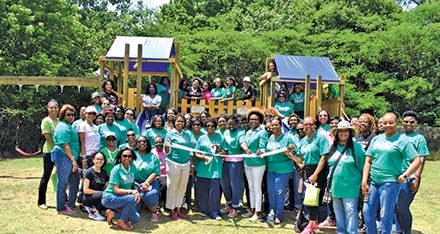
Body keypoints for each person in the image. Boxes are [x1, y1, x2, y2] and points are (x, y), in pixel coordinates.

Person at [362, 113, 420, 234]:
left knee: (385, 215)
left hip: (390, 183)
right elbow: (368, 160)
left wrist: (405, 175)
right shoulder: (377, 139)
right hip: (373, 182)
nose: (387, 125)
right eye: (385, 123)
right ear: (381, 124)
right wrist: (364, 181)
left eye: (391, 122)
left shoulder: (402, 140)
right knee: (367, 211)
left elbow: (417, 160)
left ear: (396, 123)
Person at [328, 121, 366, 234]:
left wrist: (363, 183)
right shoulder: (333, 147)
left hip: (351, 187)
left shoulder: (357, 148)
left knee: (350, 211)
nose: (343, 133)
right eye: (340, 131)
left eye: (345, 130)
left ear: (350, 133)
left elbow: (363, 166)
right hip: (335, 186)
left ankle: (352, 232)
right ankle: (341, 231)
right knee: (338, 211)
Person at [395, 111, 430, 234]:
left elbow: (421, 159)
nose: (408, 124)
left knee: (403, 208)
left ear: (416, 123)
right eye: (406, 121)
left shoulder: (419, 138)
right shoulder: (399, 137)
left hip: (410, 177)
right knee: (396, 207)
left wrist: (416, 177)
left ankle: (406, 231)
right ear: (402, 122)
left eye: (411, 122)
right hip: (398, 177)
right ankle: (398, 230)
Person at [296, 116, 330, 234]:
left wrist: (315, 174)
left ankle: (311, 225)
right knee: (310, 197)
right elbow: (301, 160)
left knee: (313, 197)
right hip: (307, 170)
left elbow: (324, 157)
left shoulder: (320, 138)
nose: (308, 126)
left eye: (311, 124)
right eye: (306, 124)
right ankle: (313, 222)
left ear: (315, 125)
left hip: (318, 170)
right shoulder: (303, 140)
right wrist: (290, 154)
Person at [195, 117, 228, 220]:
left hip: (215, 169)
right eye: (208, 126)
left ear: (215, 127)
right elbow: (196, 152)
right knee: (203, 191)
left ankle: (215, 213)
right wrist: (204, 157)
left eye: (212, 126)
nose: (210, 128)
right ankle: (205, 211)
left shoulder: (221, 137)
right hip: (203, 168)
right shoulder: (202, 138)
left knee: (214, 192)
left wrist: (219, 149)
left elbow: (224, 154)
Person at [265, 117, 296, 225]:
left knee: (279, 192)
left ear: (281, 125)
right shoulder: (270, 138)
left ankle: (279, 215)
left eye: (276, 125)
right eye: (272, 125)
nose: (274, 127)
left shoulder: (287, 138)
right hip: (271, 168)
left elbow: (294, 153)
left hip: (283, 169)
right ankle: (271, 212)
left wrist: (289, 151)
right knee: (270, 191)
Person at [164, 114, 196, 220]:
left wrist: (191, 164)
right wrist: (168, 145)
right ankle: (172, 211)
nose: (180, 123)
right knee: (172, 187)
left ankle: (178, 209)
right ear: (174, 123)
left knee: (182, 187)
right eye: (178, 121)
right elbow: (167, 152)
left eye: (182, 121)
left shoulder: (187, 134)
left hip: (185, 163)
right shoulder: (169, 134)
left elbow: (190, 150)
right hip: (173, 163)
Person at [101, 148, 141, 231]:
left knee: (135, 218)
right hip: (109, 198)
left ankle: (112, 213)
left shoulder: (133, 167)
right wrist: (132, 192)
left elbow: (132, 182)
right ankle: (121, 221)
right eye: (124, 156)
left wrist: (136, 189)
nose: (127, 158)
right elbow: (116, 190)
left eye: (129, 156)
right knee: (132, 198)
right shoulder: (116, 170)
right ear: (120, 157)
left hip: (122, 198)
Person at [51, 104, 80, 215]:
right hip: (64, 156)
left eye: (73, 114)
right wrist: (73, 159)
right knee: (62, 183)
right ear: (63, 115)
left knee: (74, 180)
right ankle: (61, 208)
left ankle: (71, 205)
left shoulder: (68, 125)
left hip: (69, 157)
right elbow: (65, 145)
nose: (71, 116)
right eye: (68, 114)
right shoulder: (62, 127)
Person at [221, 115, 250, 218]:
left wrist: (246, 150)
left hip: (236, 162)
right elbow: (223, 146)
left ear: (237, 124)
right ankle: (229, 203)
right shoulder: (225, 132)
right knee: (225, 184)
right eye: (229, 124)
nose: (231, 126)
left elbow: (242, 143)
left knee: (234, 184)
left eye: (233, 124)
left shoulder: (240, 133)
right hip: (225, 161)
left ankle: (235, 207)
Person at [241, 108, 268, 221]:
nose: (253, 121)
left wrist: (260, 151)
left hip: (258, 163)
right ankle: (251, 209)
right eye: (251, 119)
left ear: (260, 120)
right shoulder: (248, 132)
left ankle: (257, 212)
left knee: (257, 187)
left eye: (256, 119)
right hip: (248, 162)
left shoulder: (263, 132)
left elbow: (263, 146)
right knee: (251, 187)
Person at [38, 99, 59, 210]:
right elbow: (47, 137)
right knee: (46, 175)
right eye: (51, 107)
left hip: (60, 152)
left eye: (55, 107)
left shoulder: (59, 121)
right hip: (49, 152)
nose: (53, 109)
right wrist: (54, 148)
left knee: (61, 176)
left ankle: (62, 199)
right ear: (48, 109)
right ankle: (41, 201)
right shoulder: (46, 121)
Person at [133, 136, 160, 222]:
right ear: (136, 144)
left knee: (150, 195)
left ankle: (154, 212)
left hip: (150, 182)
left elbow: (155, 172)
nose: (142, 143)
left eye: (144, 141)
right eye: (139, 141)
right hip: (134, 182)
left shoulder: (153, 156)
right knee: (134, 195)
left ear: (147, 143)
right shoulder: (132, 155)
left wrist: (147, 183)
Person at [82, 152, 108, 221]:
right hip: (88, 197)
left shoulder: (103, 173)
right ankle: (93, 211)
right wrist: (100, 193)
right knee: (104, 194)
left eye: (101, 159)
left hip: (99, 196)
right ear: (93, 160)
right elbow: (86, 190)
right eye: (97, 159)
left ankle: (96, 208)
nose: (99, 161)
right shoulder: (89, 172)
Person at [152, 136, 167, 213]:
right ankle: (161, 204)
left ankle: (165, 204)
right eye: (156, 142)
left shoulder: (167, 151)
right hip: (156, 174)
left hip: (167, 174)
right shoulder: (152, 152)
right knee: (164, 184)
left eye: (160, 142)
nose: (158, 144)